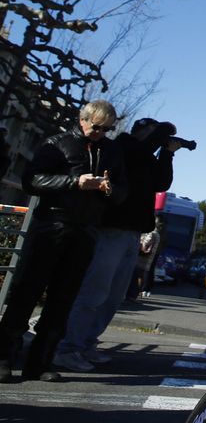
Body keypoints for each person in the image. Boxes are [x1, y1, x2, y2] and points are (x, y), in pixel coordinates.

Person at [0, 100, 125, 382]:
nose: (99, 133)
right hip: (52, 223)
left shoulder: (112, 151)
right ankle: (5, 355)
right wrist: (73, 182)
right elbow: (31, 180)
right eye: (96, 127)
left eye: (107, 129)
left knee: (63, 299)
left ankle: (40, 362)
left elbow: (122, 192)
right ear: (83, 120)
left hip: (86, 229)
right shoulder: (59, 143)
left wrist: (109, 189)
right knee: (27, 292)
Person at [55, 118, 180, 371]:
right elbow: (140, 151)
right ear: (143, 132)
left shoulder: (147, 156)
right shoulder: (123, 146)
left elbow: (161, 183)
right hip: (111, 229)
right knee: (95, 291)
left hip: (132, 233)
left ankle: (86, 344)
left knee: (113, 297)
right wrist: (167, 131)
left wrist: (167, 153)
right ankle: (68, 347)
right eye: (154, 134)